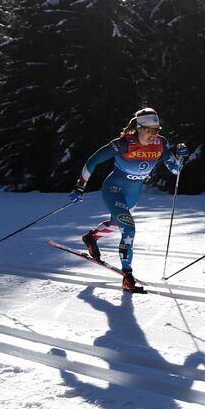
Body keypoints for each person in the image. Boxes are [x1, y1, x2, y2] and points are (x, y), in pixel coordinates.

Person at [69, 107, 187, 293]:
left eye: (157, 130)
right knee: (129, 228)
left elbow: (175, 170)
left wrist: (180, 158)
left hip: (133, 194)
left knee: (116, 223)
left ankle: (91, 237)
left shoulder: (160, 144)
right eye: (150, 130)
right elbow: (93, 161)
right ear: (139, 128)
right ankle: (127, 276)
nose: (154, 134)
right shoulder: (123, 144)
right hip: (114, 191)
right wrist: (80, 186)